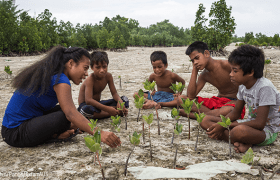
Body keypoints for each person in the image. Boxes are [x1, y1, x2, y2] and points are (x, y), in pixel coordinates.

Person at [1, 46, 121, 148]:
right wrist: (99, 133)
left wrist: (77, 123)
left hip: (24, 124)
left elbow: (69, 111)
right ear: (70, 63)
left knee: (64, 111)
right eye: (85, 68)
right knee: (66, 116)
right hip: (14, 133)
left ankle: (57, 134)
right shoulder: (60, 80)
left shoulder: (54, 73)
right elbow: (70, 114)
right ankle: (55, 136)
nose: (86, 74)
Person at [201, 45, 280, 153]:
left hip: (267, 131)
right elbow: (235, 113)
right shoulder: (242, 86)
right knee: (206, 120)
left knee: (239, 131)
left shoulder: (265, 88)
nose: (230, 74)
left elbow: (260, 123)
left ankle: (238, 138)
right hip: (250, 123)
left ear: (251, 72)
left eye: (235, 71)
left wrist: (225, 125)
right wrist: (222, 124)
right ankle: (241, 141)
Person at [180, 41, 245, 119]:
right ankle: (212, 114)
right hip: (217, 101)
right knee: (181, 99)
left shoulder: (225, 65)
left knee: (228, 110)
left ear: (206, 54)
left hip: (234, 101)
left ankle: (195, 115)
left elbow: (244, 79)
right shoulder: (204, 75)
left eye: (197, 58)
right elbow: (190, 96)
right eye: (192, 61)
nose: (195, 62)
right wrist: (194, 71)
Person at [78, 51, 129, 119]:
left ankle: (112, 111)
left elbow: (114, 94)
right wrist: (107, 109)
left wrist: (120, 101)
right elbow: (88, 100)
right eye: (98, 67)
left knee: (124, 100)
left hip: (99, 104)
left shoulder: (108, 76)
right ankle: (115, 112)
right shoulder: (90, 79)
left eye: (104, 67)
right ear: (92, 68)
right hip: (86, 105)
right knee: (86, 110)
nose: (102, 70)